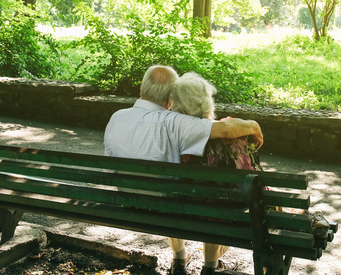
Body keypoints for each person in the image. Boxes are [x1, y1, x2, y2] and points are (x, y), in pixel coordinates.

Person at [103, 65, 263, 275]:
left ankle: (180, 258)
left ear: (142, 86)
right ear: (171, 97)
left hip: (129, 202)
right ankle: (210, 264)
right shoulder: (175, 122)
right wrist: (254, 126)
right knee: (201, 194)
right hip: (167, 207)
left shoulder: (117, 117)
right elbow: (226, 129)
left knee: (173, 188)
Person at [170, 72, 263, 275]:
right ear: (207, 101)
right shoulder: (237, 133)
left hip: (180, 212)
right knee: (217, 204)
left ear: (179, 106)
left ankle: (179, 259)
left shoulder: (172, 136)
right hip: (228, 215)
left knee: (201, 200)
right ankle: (210, 266)